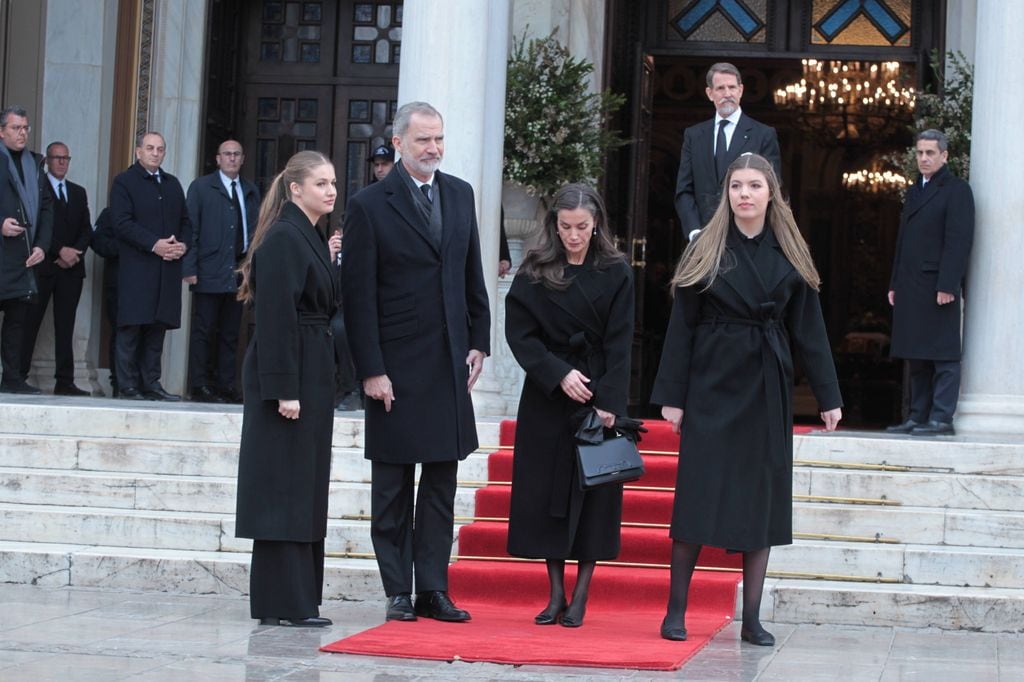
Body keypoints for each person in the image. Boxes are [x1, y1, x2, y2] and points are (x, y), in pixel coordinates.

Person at [652, 153, 842, 646]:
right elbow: (682, 327)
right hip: (712, 381)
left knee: (762, 500)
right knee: (697, 494)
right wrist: (672, 396)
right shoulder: (706, 250)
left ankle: (752, 617)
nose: (744, 194)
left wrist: (828, 394)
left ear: (770, 193)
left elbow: (811, 330)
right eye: (736, 185)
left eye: (754, 185)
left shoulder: (791, 251)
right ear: (727, 194)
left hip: (766, 383)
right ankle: (676, 610)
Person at [342, 101, 490, 624]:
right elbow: (357, 296)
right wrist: (371, 369)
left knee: (441, 485)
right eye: (424, 140)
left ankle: (432, 587)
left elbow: (471, 269)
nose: (434, 149)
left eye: (439, 140)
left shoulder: (460, 193)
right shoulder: (369, 204)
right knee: (393, 487)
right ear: (399, 143)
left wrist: (479, 339)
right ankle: (397, 589)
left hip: (449, 360)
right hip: (396, 367)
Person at [504, 183, 634, 628]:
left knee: (596, 496)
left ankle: (581, 595)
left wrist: (609, 402)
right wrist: (557, 373)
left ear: (596, 223)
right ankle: (555, 591)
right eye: (565, 227)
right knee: (545, 494)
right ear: (553, 225)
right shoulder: (537, 268)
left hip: (597, 395)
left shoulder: (617, 270)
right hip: (547, 396)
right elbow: (520, 333)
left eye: (581, 227)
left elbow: (621, 343)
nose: (573, 236)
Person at [234, 150, 341, 627]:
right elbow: (275, 317)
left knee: (304, 484)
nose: (331, 191)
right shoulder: (283, 237)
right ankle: (284, 603)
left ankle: (299, 601)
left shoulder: (311, 235)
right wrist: (284, 389)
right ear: (295, 188)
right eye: (321, 183)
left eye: (333, 183)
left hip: (312, 368)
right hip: (289, 374)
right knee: (284, 486)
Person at [886, 129, 974, 437]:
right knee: (916, 353)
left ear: (944, 156)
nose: (924, 158)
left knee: (943, 354)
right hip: (911, 284)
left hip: (938, 285)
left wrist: (949, 285)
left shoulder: (957, 190)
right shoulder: (914, 191)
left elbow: (958, 241)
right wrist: (895, 282)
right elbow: (903, 241)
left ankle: (941, 418)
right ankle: (916, 416)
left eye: (930, 153)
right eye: (920, 153)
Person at [110, 131, 191, 401]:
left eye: (160, 149)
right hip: (137, 268)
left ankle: (151, 383)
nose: (155, 153)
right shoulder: (124, 182)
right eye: (150, 148)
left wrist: (182, 245)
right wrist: (154, 244)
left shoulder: (172, 184)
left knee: (157, 329)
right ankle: (128, 385)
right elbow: (121, 223)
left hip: (166, 269)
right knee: (132, 328)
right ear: (138, 152)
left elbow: (186, 222)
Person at [183, 139, 260, 403]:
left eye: (237, 154)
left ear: (243, 158)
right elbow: (190, 229)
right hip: (208, 269)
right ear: (217, 159)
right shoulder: (201, 188)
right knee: (204, 330)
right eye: (227, 154)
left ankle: (226, 385)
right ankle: (200, 385)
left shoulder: (250, 190)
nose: (232, 158)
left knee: (230, 332)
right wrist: (189, 267)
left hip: (238, 273)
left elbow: (255, 231)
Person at [675, 63, 781, 242]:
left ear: (740, 90)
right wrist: (694, 232)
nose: (727, 94)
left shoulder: (763, 135)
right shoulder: (694, 135)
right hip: (703, 239)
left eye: (732, 87)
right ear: (710, 93)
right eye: (720, 88)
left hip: (747, 238)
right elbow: (684, 190)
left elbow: (773, 188)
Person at [21, 142, 92, 395]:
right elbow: (37, 225)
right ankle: (18, 376)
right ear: (48, 161)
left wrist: (74, 252)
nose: (62, 162)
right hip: (44, 267)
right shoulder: (37, 189)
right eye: (57, 158)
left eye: (66, 158)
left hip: (72, 269)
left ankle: (65, 381)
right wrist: (59, 249)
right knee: (31, 322)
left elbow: (86, 229)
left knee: (66, 326)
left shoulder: (78, 192)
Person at [0, 105, 52, 394]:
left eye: (25, 128)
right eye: (16, 128)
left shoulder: (35, 162)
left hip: (25, 255)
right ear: (1, 131)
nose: (22, 134)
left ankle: (12, 377)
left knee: (18, 321)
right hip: (2, 250)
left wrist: (42, 245)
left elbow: (46, 209)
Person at [91, 207, 120, 396]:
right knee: (121, 333)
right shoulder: (111, 214)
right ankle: (119, 382)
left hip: (150, 284)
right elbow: (98, 242)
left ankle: (147, 381)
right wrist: (126, 247)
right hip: (119, 283)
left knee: (150, 333)